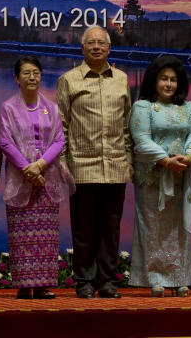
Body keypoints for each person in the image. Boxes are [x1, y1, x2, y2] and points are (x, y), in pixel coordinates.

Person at [56, 25, 132, 299]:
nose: (97, 47)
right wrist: (63, 163)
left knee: (111, 229)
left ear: (109, 49)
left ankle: (108, 281)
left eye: (102, 43)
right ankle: (84, 281)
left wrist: (130, 160)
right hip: (81, 167)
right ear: (82, 49)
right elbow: (61, 126)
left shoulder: (122, 79)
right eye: (91, 43)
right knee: (84, 228)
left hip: (115, 166)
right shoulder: (68, 80)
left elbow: (126, 124)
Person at [0, 56, 75, 300]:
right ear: (17, 78)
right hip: (22, 179)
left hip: (46, 179)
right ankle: (23, 284)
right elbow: (5, 141)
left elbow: (59, 140)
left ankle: (42, 285)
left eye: (36, 73)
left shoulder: (51, 107)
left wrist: (40, 165)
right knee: (21, 233)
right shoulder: (8, 108)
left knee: (46, 234)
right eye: (26, 73)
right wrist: (27, 169)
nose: (32, 77)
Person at [128, 56, 191, 297]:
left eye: (173, 80)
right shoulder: (143, 107)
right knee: (152, 227)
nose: (169, 84)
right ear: (154, 80)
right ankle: (154, 278)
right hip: (152, 178)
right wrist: (166, 161)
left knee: (179, 228)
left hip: (181, 177)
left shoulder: (188, 107)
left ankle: (180, 278)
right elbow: (141, 141)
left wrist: (189, 157)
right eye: (164, 79)